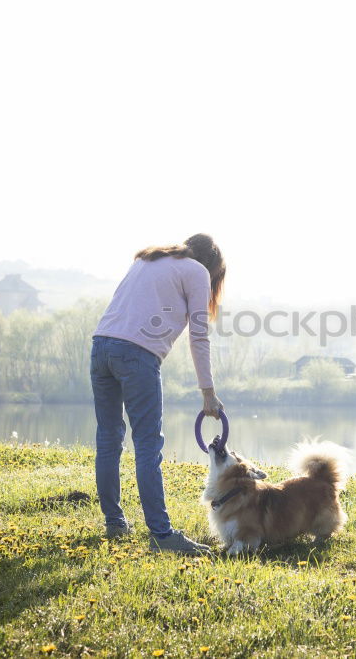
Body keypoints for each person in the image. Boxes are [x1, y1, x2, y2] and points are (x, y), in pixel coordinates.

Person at [90, 233, 226, 554]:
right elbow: (199, 336)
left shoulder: (147, 259)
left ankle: (115, 522)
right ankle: (162, 535)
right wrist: (208, 392)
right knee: (148, 446)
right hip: (137, 355)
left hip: (101, 347)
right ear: (211, 265)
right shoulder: (196, 271)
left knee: (109, 438)